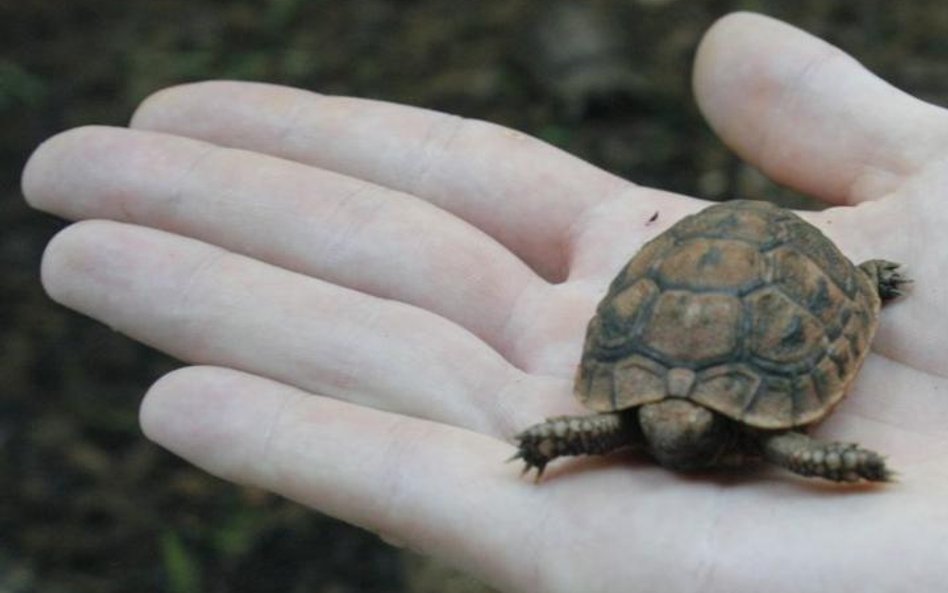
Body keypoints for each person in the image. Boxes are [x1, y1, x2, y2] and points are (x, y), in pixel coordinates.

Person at [22, 12, 948, 593]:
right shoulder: (649, 423)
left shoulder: (762, 435)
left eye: (674, 432)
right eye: (659, 428)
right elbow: (629, 431)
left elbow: (794, 447)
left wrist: (846, 463)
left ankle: (861, 284)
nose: (666, 439)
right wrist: (552, 436)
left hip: (792, 276)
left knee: (842, 324)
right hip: (710, 301)